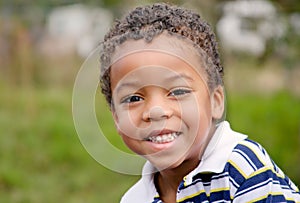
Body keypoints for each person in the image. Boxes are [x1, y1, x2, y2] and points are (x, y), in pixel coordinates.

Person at [99, 2, 300, 203]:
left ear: (216, 102)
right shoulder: (135, 199)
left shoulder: (241, 169)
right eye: (134, 98)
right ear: (117, 118)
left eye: (177, 91)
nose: (155, 111)